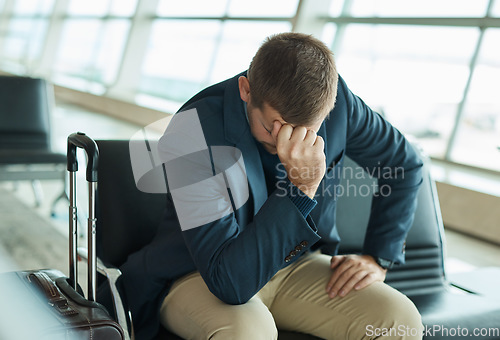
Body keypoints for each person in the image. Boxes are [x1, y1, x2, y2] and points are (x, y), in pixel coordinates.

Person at [116, 32, 424, 339]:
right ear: (246, 89)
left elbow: (404, 163)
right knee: (248, 334)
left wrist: (379, 256)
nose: (287, 144)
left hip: (294, 265)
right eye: (272, 127)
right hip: (199, 273)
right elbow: (230, 284)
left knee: (400, 320)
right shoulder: (191, 133)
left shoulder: (339, 103)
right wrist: (300, 188)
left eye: (306, 132)